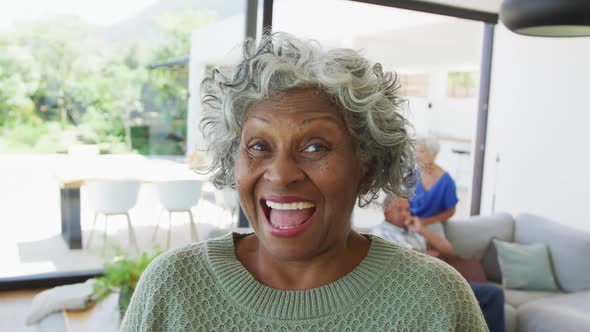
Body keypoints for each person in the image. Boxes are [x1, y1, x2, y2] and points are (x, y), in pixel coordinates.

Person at [120, 32, 487, 331]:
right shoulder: (173, 287)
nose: (280, 173)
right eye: (259, 146)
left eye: (315, 146)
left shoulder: (434, 299)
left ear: (367, 164)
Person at [374, 196, 506, 332]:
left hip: (436, 280)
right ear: (386, 212)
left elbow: (447, 250)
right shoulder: (381, 232)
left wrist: (421, 230)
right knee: (493, 293)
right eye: (399, 210)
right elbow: (406, 258)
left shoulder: (413, 231)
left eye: (407, 209)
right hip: (419, 286)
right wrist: (428, 254)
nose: (404, 214)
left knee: (491, 293)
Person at [409, 135, 458, 237]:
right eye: (416, 152)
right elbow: (402, 201)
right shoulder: (413, 175)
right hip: (410, 224)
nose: (417, 156)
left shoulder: (446, 181)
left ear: (434, 153)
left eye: (422, 151)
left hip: (432, 226)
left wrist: (426, 221)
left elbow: (451, 211)